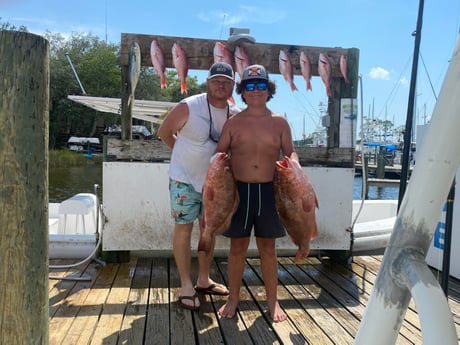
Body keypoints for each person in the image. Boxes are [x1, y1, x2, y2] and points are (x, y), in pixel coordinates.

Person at [215, 64, 298, 323]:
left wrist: (294, 162)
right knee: (237, 248)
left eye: (261, 85)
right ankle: (233, 298)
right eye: (249, 86)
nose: (255, 91)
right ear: (242, 91)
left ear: (268, 90)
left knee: (268, 249)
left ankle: (273, 302)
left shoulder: (279, 122)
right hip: (238, 192)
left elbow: (290, 151)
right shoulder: (233, 123)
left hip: (268, 192)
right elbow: (218, 155)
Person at [157, 62, 240, 310]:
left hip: (215, 184)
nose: (221, 85)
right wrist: (182, 155)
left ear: (232, 86)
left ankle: (204, 279)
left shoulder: (234, 114)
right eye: (216, 81)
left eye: (226, 82)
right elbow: (164, 132)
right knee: (183, 228)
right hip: (183, 178)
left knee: (208, 228)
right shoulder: (189, 106)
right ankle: (185, 284)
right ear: (208, 83)